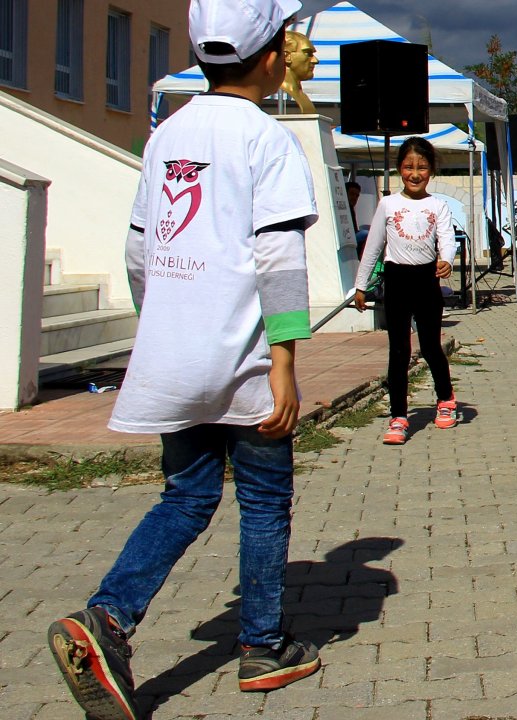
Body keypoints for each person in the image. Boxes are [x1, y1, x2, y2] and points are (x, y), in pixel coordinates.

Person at [46, 2, 320, 716]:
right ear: (269, 60)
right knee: (263, 499)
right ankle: (262, 645)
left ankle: (108, 619)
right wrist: (285, 361)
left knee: (188, 496)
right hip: (247, 360)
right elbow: (279, 258)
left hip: (176, 355)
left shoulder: (167, 133)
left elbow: (140, 249)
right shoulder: (268, 139)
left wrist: (163, 320)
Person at [353, 137, 459, 443]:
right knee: (398, 351)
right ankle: (398, 416)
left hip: (426, 282)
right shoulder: (388, 204)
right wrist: (361, 286)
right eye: (409, 167)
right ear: (399, 168)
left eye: (422, 167)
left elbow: (447, 239)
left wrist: (447, 260)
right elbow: (373, 248)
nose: (415, 173)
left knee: (430, 347)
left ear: (432, 171)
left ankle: (446, 399)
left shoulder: (437, 206)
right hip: (396, 281)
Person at [280, 30, 317, 113]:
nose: (315, 60)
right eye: (308, 53)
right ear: (287, 56)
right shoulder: (280, 96)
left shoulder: (303, 97)